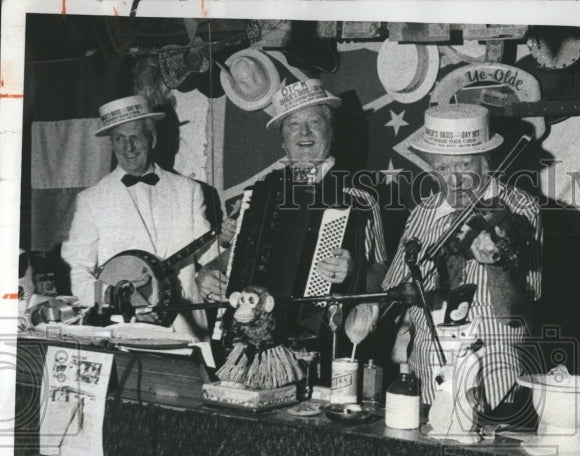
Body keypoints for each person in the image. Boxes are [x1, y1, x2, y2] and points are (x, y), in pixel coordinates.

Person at [199, 79, 387, 375]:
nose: (305, 133)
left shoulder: (360, 195)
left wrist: (354, 273)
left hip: (325, 347)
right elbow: (238, 258)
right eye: (293, 125)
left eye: (315, 121)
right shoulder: (259, 193)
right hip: (254, 346)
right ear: (282, 140)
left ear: (331, 130)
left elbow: (383, 271)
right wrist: (207, 274)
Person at [381, 103, 541, 419]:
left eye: (464, 165)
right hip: (428, 378)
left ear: (486, 161)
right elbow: (393, 290)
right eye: (441, 168)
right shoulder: (423, 213)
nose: (454, 181)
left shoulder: (522, 209)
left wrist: (496, 265)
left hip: (494, 383)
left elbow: (516, 312)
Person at [62, 95, 215, 340]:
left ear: (152, 139)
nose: (128, 148)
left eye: (135, 137)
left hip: (187, 327)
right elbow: (77, 273)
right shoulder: (91, 200)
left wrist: (225, 245)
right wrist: (124, 300)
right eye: (119, 139)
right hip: (123, 328)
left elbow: (209, 255)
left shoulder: (189, 190)